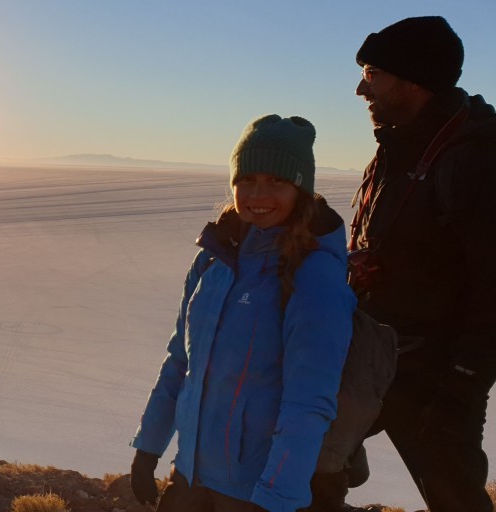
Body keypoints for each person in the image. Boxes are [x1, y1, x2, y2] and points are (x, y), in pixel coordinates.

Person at [346, 16, 496, 511]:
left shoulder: (485, 162)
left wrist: (460, 387)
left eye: (372, 73)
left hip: (436, 375)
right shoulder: (393, 147)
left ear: (413, 82)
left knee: (452, 495)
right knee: (300, 462)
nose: (361, 88)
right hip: (369, 354)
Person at [129, 114, 356, 512]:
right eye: (247, 180)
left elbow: (309, 401)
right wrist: (148, 448)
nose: (258, 193)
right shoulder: (213, 260)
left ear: (300, 188)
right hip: (191, 477)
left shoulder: (313, 273)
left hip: (256, 492)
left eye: (277, 181)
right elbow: (180, 362)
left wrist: (277, 499)